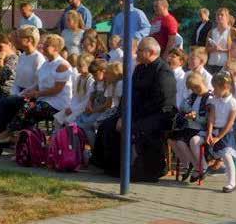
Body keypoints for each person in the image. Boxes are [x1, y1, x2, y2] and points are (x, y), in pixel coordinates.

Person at [98, 37, 177, 182]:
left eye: (140, 50)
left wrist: (134, 117)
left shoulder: (163, 71)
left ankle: (149, 170)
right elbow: (128, 94)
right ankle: (114, 167)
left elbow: (162, 101)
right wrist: (122, 115)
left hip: (159, 114)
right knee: (107, 126)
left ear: (151, 52)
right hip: (137, 112)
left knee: (138, 128)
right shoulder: (140, 68)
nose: (137, 53)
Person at [0, 34, 73, 146]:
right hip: (43, 99)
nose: (42, 47)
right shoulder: (47, 63)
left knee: (27, 108)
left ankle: (7, 134)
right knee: (13, 104)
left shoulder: (62, 65)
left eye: (46, 45)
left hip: (57, 104)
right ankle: (25, 146)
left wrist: (36, 94)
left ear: (56, 48)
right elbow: (39, 83)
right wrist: (26, 92)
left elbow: (57, 89)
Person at [201, 72, 236, 193]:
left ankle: (231, 183)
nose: (214, 91)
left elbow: (230, 123)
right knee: (216, 153)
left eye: (216, 89)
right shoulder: (214, 101)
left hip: (226, 133)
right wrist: (209, 132)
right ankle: (204, 169)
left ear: (226, 87)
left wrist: (219, 137)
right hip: (215, 131)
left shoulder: (232, 102)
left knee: (227, 156)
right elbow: (211, 118)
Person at [171, 72, 212, 183]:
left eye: (197, 87)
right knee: (179, 142)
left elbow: (207, 121)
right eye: (193, 89)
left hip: (202, 131)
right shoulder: (192, 96)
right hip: (190, 128)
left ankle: (203, 167)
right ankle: (196, 167)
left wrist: (195, 117)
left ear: (203, 82)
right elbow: (183, 106)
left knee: (194, 141)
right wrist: (189, 112)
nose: (195, 90)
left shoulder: (209, 98)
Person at [76, 60, 121, 144]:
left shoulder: (109, 84)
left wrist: (93, 111)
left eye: (95, 75)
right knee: (78, 120)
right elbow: (92, 96)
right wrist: (89, 104)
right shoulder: (96, 83)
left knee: (88, 125)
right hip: (95, 109)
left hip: (103, 110)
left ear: (103, 72)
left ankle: (95, 147)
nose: (93, 77)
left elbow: (108, 105)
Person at [55, 54, 94, 126]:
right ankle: (58, 136)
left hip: (83, 108)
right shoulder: (78, 78)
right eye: (77, 65)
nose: (77, 68)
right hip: (76, 106)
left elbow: (87, 100)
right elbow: (75, 96)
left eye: (80, 66)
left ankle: (68, 136)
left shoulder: (91, 80)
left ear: (88, 66)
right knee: (58, 118)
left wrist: (73, 109)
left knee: (68, 121)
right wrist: (70, 107)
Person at [205, 8, 233, 74]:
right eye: (217, 15)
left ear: (227, 17)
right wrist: (213, 49)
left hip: (225, 64)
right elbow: (206, 48)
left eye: (222, 15)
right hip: (212, 63)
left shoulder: (232, 31)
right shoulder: (211, 32)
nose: (219, 16)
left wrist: (222, 50)